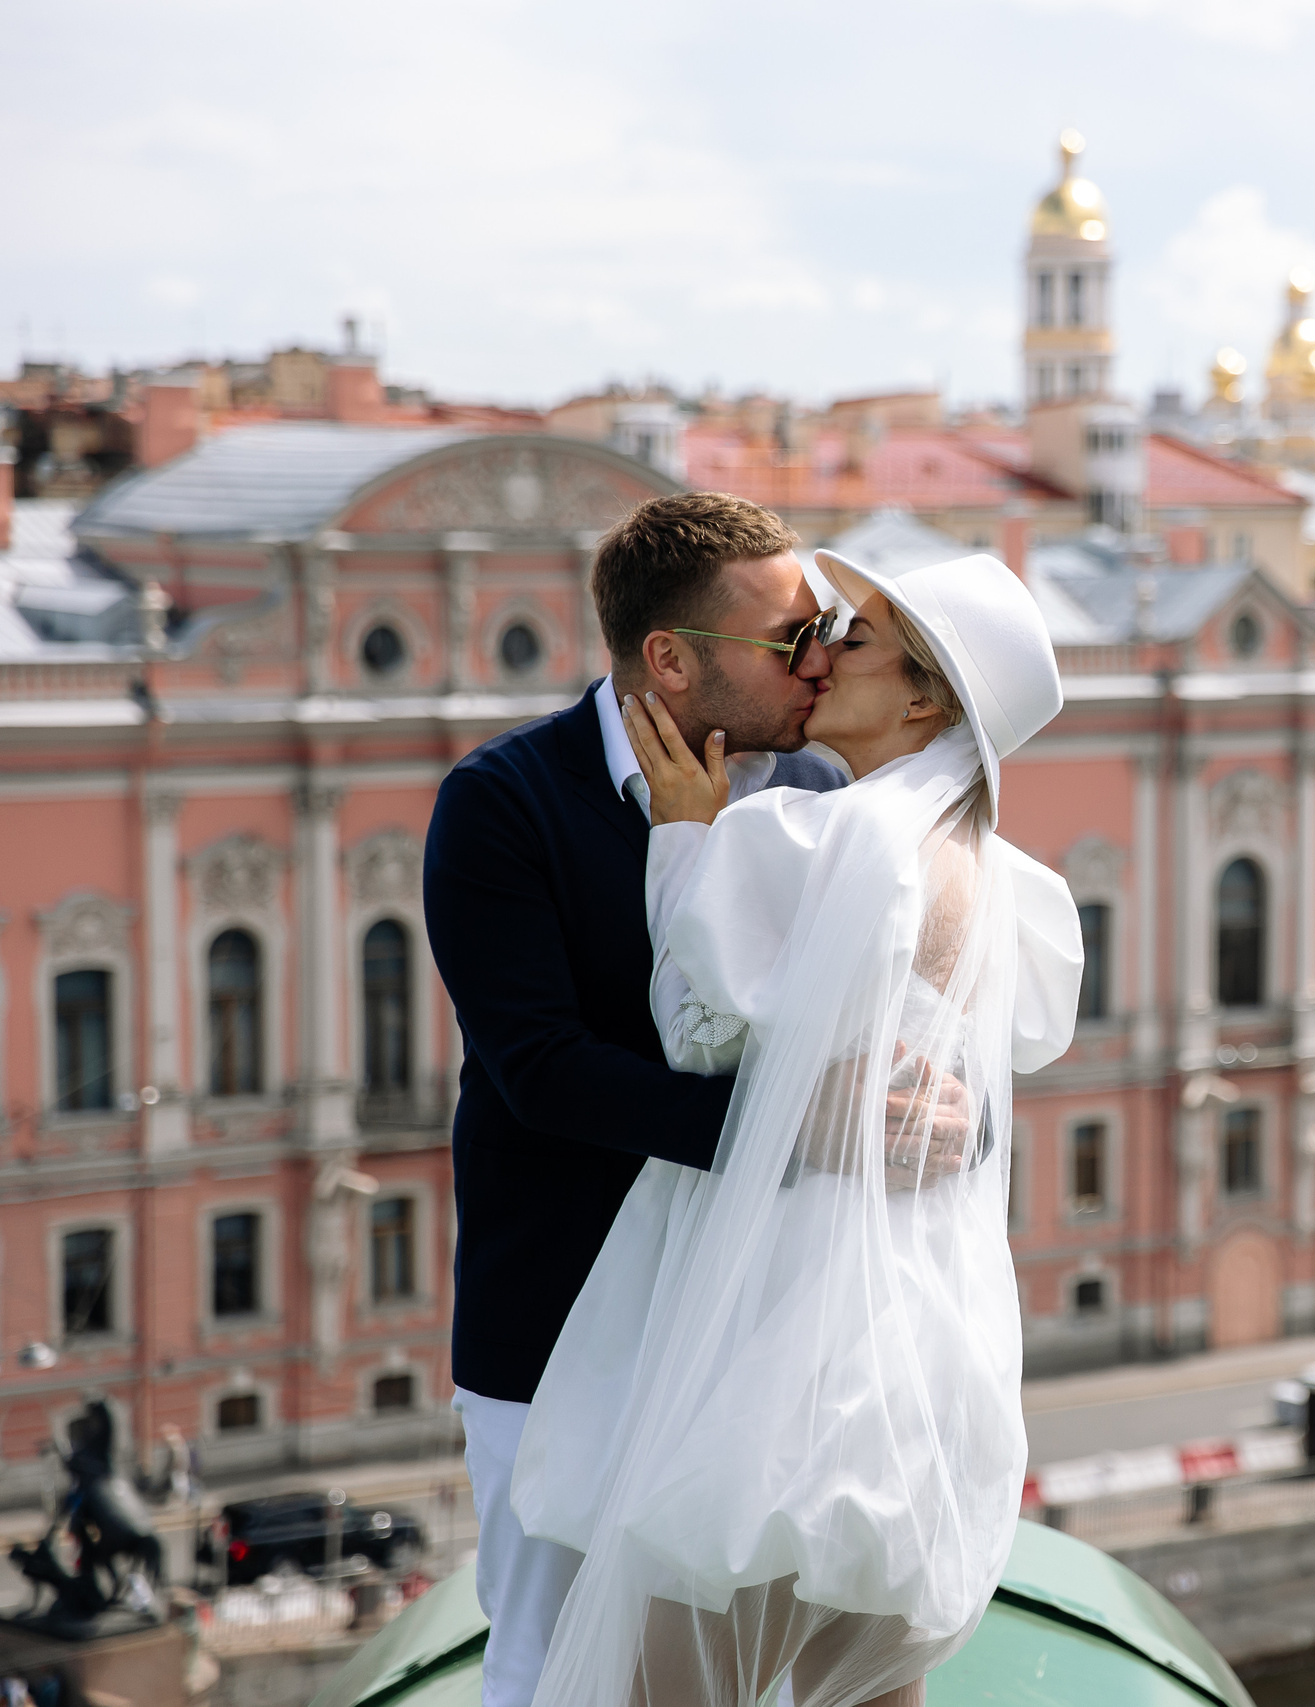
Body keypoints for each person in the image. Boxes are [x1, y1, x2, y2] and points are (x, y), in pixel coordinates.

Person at [511, 548, 1080, 1707]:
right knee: (869, 1688)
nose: (818, 659)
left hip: (776, 1322)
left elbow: (696, 1031)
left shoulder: (807, 843)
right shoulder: (1012, 883)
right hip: (922, 1336)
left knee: (671, 1682)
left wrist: (685, 838)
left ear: (924, 696)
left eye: (854, 639)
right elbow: (974, 1078)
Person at [424, 493, 873, 1707]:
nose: (822, 661)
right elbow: (545, 1071)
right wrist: (802, 1130)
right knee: (551, 1668)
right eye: (791, 640)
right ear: (669, 659)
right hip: (557, 1334)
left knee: (737, 1680)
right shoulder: (502, 800)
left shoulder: (822, 789)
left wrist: (925, 1110)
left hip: (746, 1332)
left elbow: (887, 1017)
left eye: (823, 627)